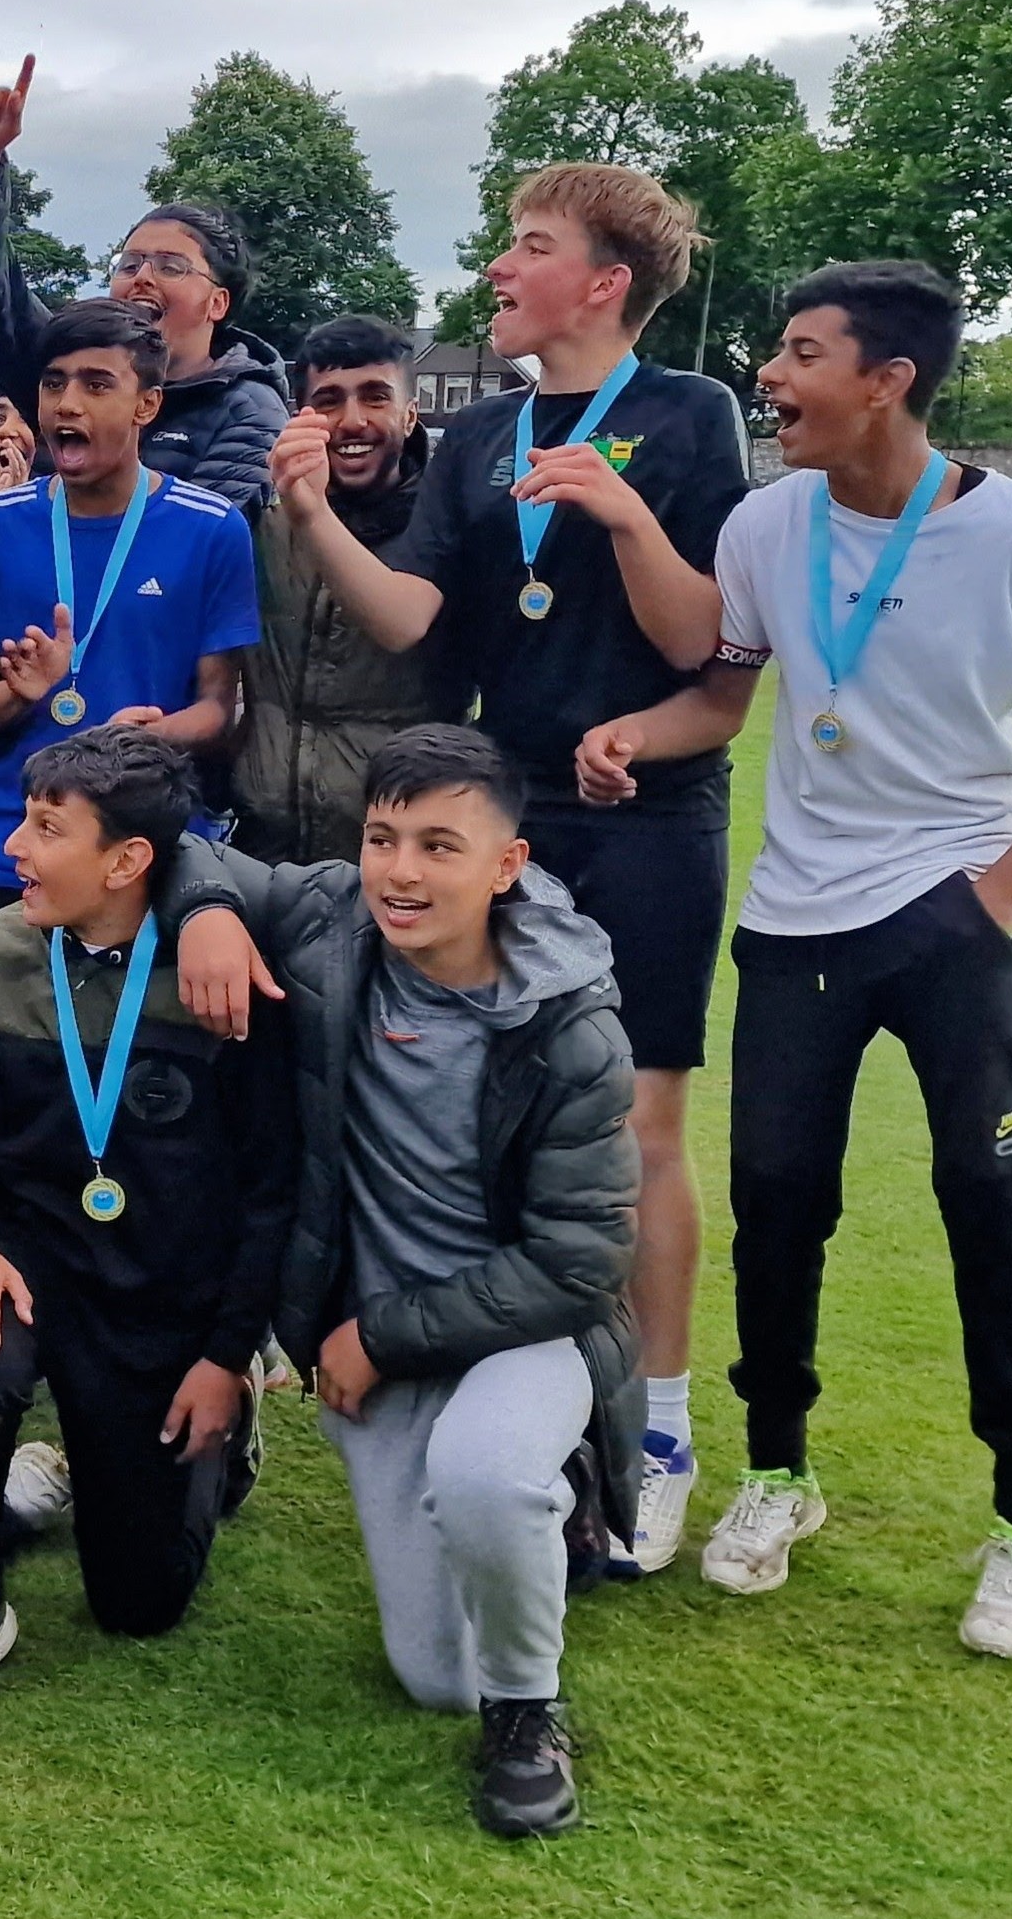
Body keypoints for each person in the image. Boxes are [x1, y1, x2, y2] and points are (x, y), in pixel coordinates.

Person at [577, 262, 1012, 1658]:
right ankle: (777, 1471)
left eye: (801, 353)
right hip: (793, 919)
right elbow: (725, 686)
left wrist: (1002, 888)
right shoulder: (770, 518)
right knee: (779, 1200)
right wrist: (633, 738)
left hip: (952, 913)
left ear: (886, 379)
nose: (773, 377)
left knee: (988, 1195)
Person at [271, 163, 744, 1572]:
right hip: (499, 815)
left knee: (641, 1128)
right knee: (463, 1099)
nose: (497, 269)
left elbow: (700, 640)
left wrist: (626, 515)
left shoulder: (688, 413)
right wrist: (311, 516)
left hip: (650, 816)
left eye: (528, 248)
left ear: (602, 280)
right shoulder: (477, 433)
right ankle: (484, 1380)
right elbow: (417, 618)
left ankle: (654, 1427)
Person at [164, 723, 639, 1840]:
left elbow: (577, 1263)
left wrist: (375, 1339)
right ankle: (533, 1531)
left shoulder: (570, 1023)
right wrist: (210, 913)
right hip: (372, 1329)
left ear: (506, 866)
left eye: (439, 846)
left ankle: (528, 1718)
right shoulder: (333, 915)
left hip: (520, 1327)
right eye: (383, 839)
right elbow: (182, 846)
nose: (402, 873)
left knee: (483, 1481)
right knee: (434, 1677)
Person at [0, 727, 292, 1732]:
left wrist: (222, 1352)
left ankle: (216, 1433)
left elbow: (269, 1187)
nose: (13, 848)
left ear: (126, 861)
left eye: (44, 828)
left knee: (138, 1608)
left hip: (160, 1295)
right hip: (23, 1261)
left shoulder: (223, 974)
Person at [0, 300, 259, 990]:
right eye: (53, 383)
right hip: (6, 850)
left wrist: (151, 737)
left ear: (147, 404)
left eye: (96, 385)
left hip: (147, 850)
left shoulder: (211, 528)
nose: (66, 404)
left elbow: (219, 709)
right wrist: (21, 694)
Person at [0, 56, 289, 506]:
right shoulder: (69, 360)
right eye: (129, 264)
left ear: (218, 302)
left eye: (170, 266)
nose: (142, 278)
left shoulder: (249, 410)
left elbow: (198, 541)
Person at [231, 315, 459, 865]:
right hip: (265, 846)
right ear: (299, 417)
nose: (351, 421)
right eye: (329, 400)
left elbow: (406, 628)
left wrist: (312, 514)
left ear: (410, 414)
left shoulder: (449, 524)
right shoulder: (262, 525)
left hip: (394, 851)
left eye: (375, 397)